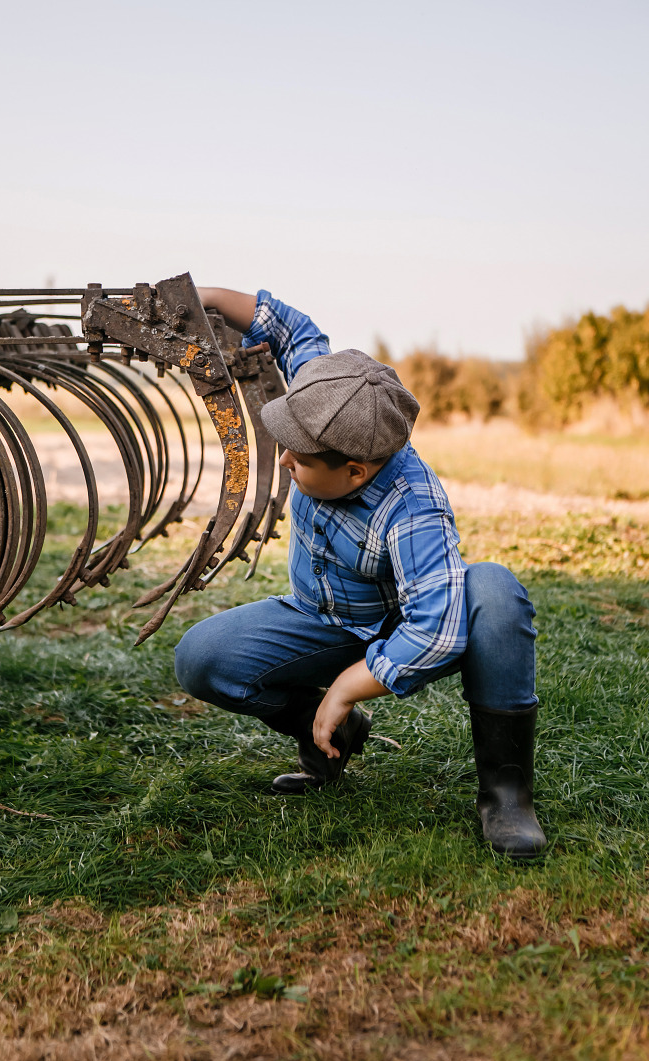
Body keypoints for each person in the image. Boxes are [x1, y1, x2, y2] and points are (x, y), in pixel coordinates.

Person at [174, 287, 546, 859]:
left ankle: (506, 795)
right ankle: (331, 738)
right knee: (200, 658)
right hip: (324, 618)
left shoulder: (412, 507)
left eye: (297, 459)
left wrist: (348, 686)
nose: (284, 461)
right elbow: (293, 331)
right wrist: (204, 298)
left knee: (494, 592)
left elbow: (436, 631)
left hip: (408, 622)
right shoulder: (332, 403)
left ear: (354, 471)